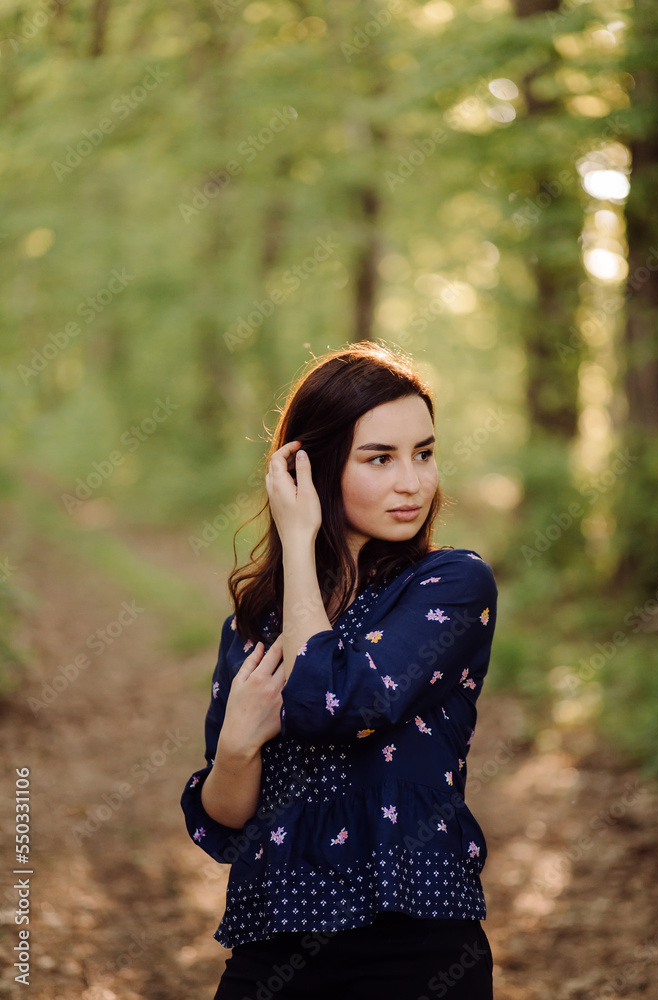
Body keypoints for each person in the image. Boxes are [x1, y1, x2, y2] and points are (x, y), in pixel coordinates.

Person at [181, 340, 497, 999]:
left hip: (414, 943)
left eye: (424, 453)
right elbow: (220, 825)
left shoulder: (449, 586)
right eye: (379, 458)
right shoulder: (252, 628)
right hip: (274, 946)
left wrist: (297, 542)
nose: (411, 481)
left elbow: (342, 703)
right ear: (315, 468)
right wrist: (236, 752)